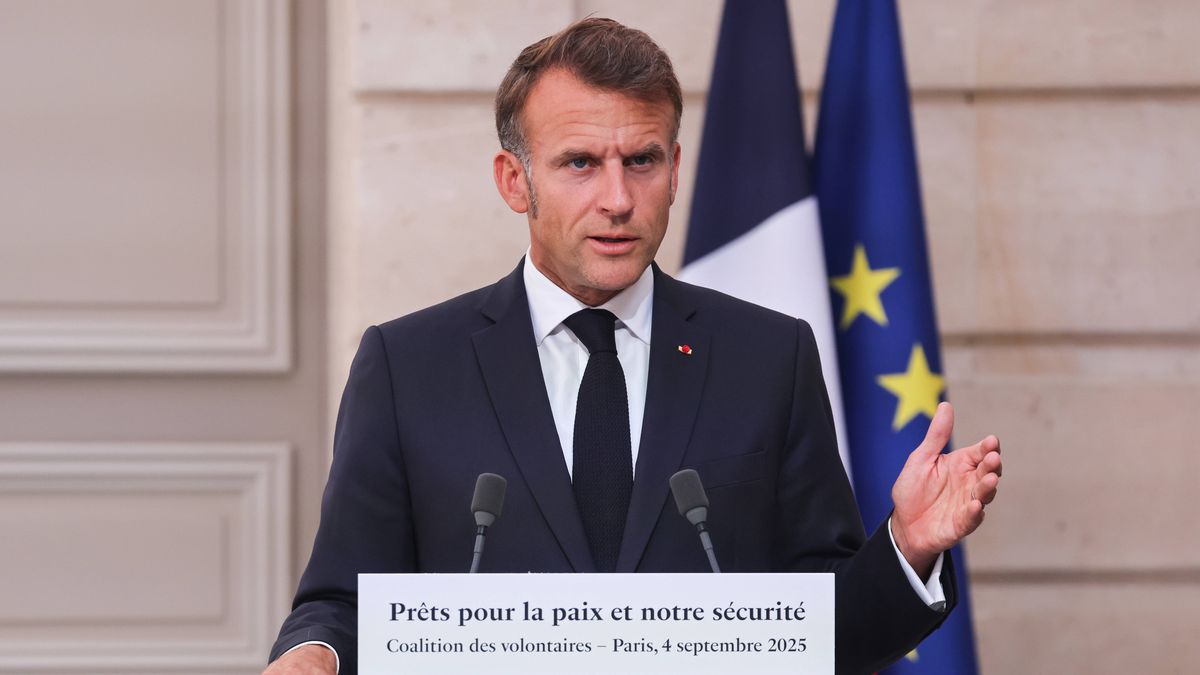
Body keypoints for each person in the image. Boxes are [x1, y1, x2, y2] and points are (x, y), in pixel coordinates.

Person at [264, 17, 1002, 675]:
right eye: (580, 163)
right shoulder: (409, 367)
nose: (617, 199)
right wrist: (315, 653)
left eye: (641, 161)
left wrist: (906, 547)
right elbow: (343, 599)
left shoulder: (769, 358)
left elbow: (823, 634)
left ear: (676, 171)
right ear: (515, 181)